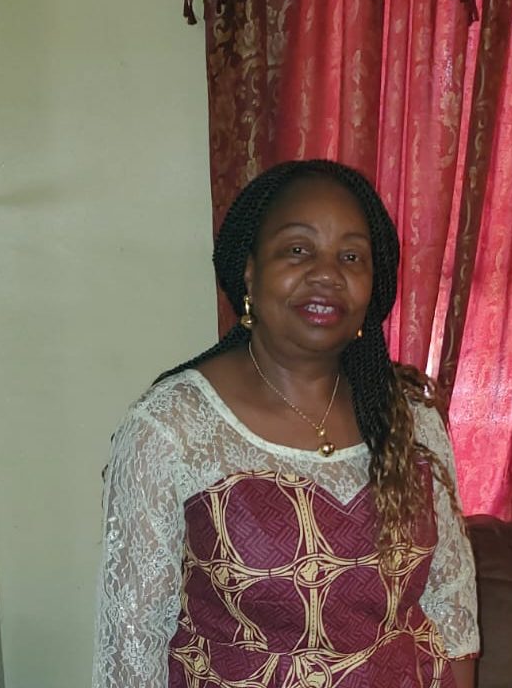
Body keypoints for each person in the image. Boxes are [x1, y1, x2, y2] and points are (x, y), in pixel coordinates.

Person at [92, 160, 479, 687]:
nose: (327, 273)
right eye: (298, 249)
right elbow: (132, 649)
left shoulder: (410, 416)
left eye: (351, 256)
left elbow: (452, 610)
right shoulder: (170, 428)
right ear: (249, 270)